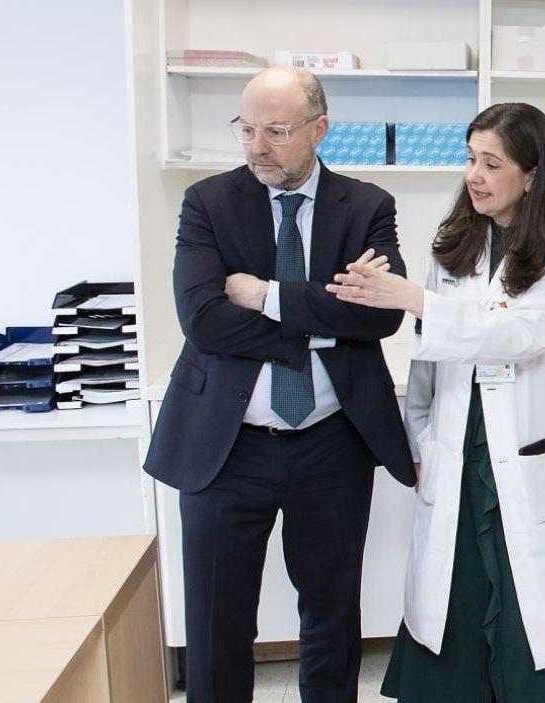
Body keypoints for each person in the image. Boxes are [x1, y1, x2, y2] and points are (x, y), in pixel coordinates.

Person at [325, 102, 545, 703]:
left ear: (533, 174)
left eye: (492, 162)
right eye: (469, 159)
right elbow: (429, 364)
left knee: (529, 609)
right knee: (453, 600)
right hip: (458, 454)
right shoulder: (455, 244)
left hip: (530, 459)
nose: (474, 175)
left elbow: (518, 334)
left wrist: (413, 299)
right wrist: (420, 439)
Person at [143, 66, 416, 703]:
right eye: (246, 130)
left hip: (332, 443)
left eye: (277, 131)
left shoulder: (368, 207)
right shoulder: (208, 202)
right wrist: (322, 322)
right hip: (225, 446)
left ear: (319, 130)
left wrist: (265, 297)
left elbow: (380, 315)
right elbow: (204, 321)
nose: (257, 147)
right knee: (217, 619)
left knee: (331, 614)